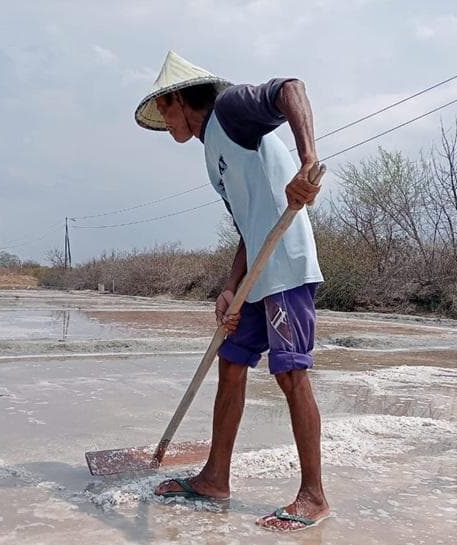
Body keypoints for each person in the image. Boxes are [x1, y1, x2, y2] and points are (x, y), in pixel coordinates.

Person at [135, 51, 329, 532]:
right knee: (231, 362)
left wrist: (307, 162)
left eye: (164, 108)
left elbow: (292, 87)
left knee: (290, 376)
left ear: (178, 99)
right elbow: (247, 227)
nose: (164, 120)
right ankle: (214, 478)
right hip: (256, 273)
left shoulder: (232, 110)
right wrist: (229, 287)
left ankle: (314, 496)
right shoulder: (210, 154)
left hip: (285, 267)